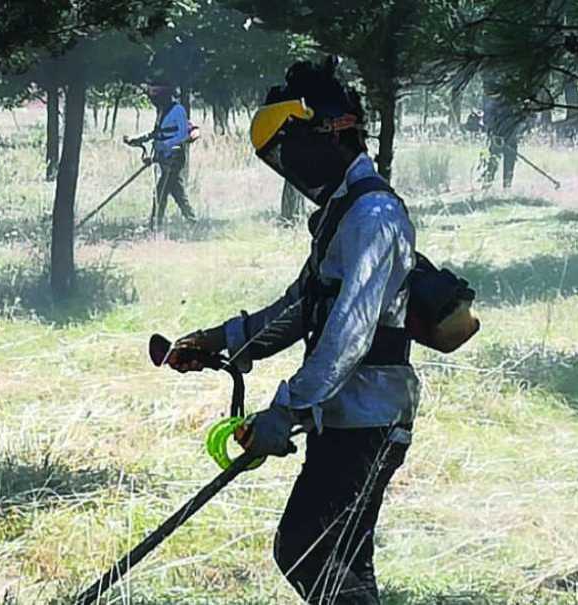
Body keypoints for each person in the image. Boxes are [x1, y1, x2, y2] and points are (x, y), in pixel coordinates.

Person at [165, 58, 419, 604]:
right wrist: (225, 340)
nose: (290, 168)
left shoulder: (373, 215)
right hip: (346, 415)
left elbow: (349, 334)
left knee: (306, 548)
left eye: (289, 150)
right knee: (344, 561)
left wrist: (286, 408)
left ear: (331, 132)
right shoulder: (343, 211)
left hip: (369, 418)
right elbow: (303, 306)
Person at [126, 84, 196, 228]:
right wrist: (137, 139)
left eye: (156, 95)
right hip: (163, 157)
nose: (153, 99)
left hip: (174, 158)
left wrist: (167, 145)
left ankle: (155, 227)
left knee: (161, 193)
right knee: (176, 192)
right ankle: (192, 222)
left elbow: (183, 134)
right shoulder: (161, 111)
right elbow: (156, 133)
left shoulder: (178, 110)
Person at [481, 74, 524, 189]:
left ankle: (507, 188)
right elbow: (488, 120)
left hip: (511, 138)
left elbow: (519, 119)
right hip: (497, 138)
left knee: (509, 164)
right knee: (493, 163)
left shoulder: (512, 103)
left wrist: (514, 134)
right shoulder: (492, 104)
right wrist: (493, 134)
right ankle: (486, 187)